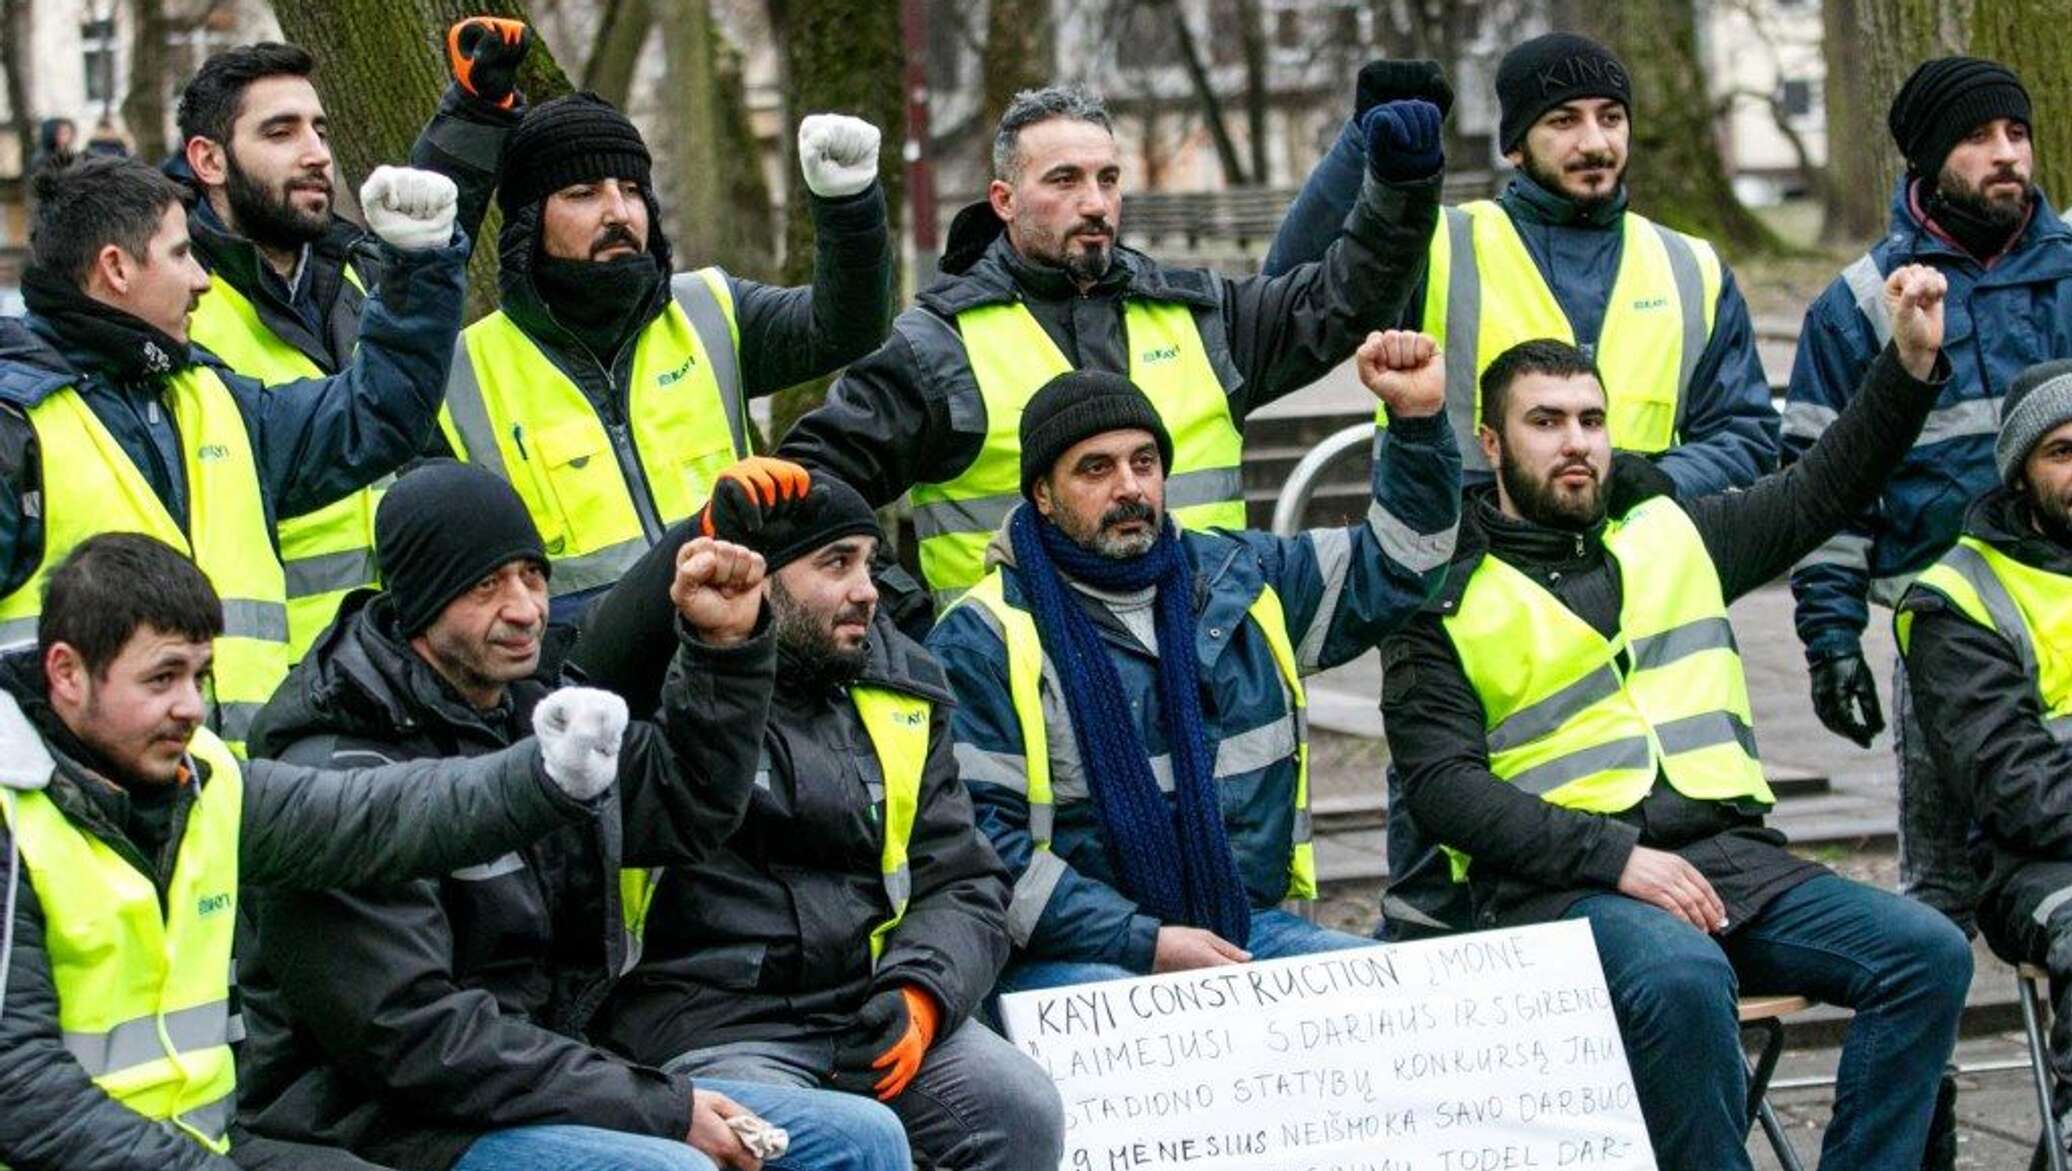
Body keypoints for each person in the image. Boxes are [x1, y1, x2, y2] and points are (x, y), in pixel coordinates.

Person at [1377, 266, 1974, 1170]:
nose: (1576, 443)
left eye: (1590, 420)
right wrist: (1618, 859)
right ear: (1493, 445)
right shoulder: (1438, 591)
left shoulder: (1674, 530)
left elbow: (1825, 486)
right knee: (1684, 977)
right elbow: (1443, 791)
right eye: (1546, 423)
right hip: (1559, 890)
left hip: (1730, 862)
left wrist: (1908, 362)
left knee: (1926, 952)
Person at [234, 461, 911, 1171]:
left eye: (532, 575)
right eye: (485, 584)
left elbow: (686, 808)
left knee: (862, 1137)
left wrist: (725, 649)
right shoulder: (338, 770)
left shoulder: (530, 712)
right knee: (672, 1168)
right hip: (389, 1121)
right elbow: (416, 1042)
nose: (526, 607)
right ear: (419, 601)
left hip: (544, 1075)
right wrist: (660, 1108)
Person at [0, 531, 641, 1170]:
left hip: (207, 1145)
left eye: (200, 676)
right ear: (67, 673)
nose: (191, 707)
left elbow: (378, 816)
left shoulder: (206, 781)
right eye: (162, 678)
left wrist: (546, 775)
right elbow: (21, 1089)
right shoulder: (12, 815)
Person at [778, 83, 1448, 607]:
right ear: (1004, 200)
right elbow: (810, 490)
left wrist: (1402, 189)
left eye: (1108, 179)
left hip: (1202, 670)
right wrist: (905, 622)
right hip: (1022, 706)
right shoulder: (937, 346)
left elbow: (1341, 300)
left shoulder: (1202, 316)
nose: (1095, 202)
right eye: (1064, 180)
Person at [925, 333, 1459, 989]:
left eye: (1144, 462)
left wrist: (1417, 422)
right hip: (1069, 958)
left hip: (1240, 926)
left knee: (1385, 997)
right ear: (1042, 493)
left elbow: (1403, 563)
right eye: (1096, 469)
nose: (1129, 487)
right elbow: (984, 853)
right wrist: (1144, 941)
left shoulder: (1240, 579)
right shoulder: (983, 639)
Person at [573, 460, 1062, 1171]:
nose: (866, 591)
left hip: (864, 1006)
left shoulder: (900, 691)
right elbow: (589, 668)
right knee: (851, 1139)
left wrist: (922, 993)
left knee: (1020, 1106)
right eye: (836, 564)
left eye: (868, 563)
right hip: (707, 1024)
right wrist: (702, 531)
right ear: (760, 577)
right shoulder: (667, 684)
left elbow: (963, 879)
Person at [0, 152, 466, 751]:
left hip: (237, 798)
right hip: (83, 820)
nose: (202, 279)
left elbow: (374, 414)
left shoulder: (209, 396)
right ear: (115, 268)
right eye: (179, 254)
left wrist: (419, 267)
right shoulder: (17, 424)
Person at [430, 82, 894, 633]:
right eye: (583, 193)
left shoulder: (710, 308)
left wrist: (849, 207)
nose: (618, 212)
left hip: (736, 645)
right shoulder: (460, 373)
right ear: (530, 221)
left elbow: (846, 327)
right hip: (583, 685)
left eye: (631, 188)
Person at [1786, 56, 2072, 935]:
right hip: (1943, 620)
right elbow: (1826, 487)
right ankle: (1931, 1063)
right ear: (1927, 160)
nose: (2006, 155)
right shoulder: (1863, 305)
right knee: (1940, 879)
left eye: (2017, 134)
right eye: (1979, 138)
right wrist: (1831, 638)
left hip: (2062, 603)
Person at [1265, 37, 1777, 497]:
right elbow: (1288, 299)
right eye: (1564, 121)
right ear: (1514, 145)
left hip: (1641, 580)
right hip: (1461, 576)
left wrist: (1663, 481)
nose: (1595, 142)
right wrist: (1362, 145)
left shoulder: (1692, 267)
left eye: (1611, 117)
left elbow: (1745, 435)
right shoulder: (1439, 242)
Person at [171, 24, 531, 659]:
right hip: (269, 686)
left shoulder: (353, 273)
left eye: (320, 130)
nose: (315, 153)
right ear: (209, 160)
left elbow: (432, 222)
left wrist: (476, 112)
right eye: (281, 133)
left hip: (408, 668)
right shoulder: (180, 306)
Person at [1899, 358, 2072, 1154]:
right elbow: (2018, 792)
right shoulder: (1957, 596)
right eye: (2063, 451)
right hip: (2032, 865)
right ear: (2020, 472)